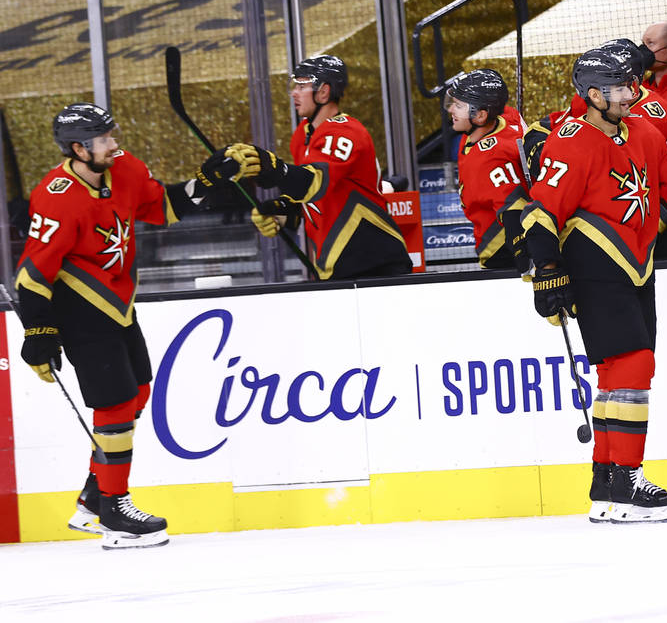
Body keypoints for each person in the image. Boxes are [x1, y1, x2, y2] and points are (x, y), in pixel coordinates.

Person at [14, 102, 236, 549]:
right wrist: (38, 331)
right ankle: (116, 510)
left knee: (138, 391)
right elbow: (31, 274)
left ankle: (95, 497)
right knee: (114, 403)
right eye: (104, 139)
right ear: (78, 149)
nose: (115, 144)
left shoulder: (125, 169)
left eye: (112, 135)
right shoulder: (56, 196)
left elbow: (163, 207)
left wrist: (206, 183)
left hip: (119, 304)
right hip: (78, 308)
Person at [520, 42, 667, 524]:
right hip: (594, 262)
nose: (631, 93)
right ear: (591, 94)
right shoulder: (571, 140)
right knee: (635, 363)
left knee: (617, 373)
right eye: (619, 87)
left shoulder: (645, 133)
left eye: (633, 83)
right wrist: (547, 273)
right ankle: (629, 481)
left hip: (638, 262)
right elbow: (541, 214)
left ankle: (607, 481)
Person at [229, 55, 413, 280]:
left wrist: (273, 167)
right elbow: (316, 201)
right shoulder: (302, 135)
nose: (294, 93)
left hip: (375, 261)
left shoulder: (346, 131)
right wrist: (283, 214)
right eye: (294, 85)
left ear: (324, 92)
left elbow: (314, 183)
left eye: (301, 85)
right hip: (335, 265)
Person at [444, 68, 530, 271]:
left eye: (458, 106)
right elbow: (509, 113)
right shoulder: (504, 118)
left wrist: (524, 262)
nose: (451, 110)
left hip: (502, 249)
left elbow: (513, 209)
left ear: (481, 115)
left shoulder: (492, 156)